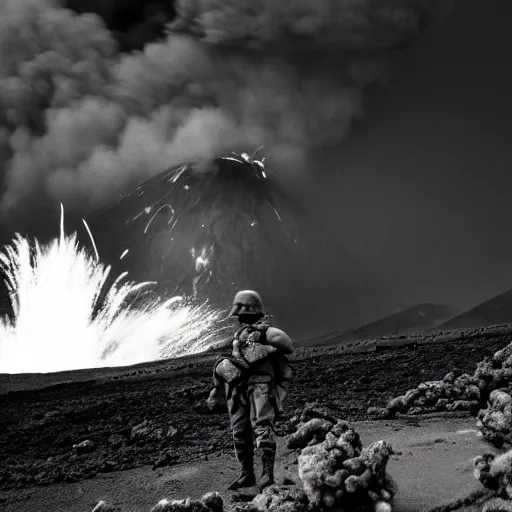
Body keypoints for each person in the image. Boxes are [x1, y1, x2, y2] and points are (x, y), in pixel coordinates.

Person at [205, 290, 294, 491]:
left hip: (260, 386)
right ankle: (247, 474)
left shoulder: (264, 332)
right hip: (238, 388)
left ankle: (266, 475)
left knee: (262, 427)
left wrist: (263, 347)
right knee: (240, 431)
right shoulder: (241, 335)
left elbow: (286, 344)